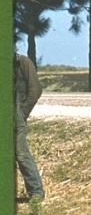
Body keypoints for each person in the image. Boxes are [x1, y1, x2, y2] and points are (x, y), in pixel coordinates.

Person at [15, 54, 45, 203]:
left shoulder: (22, 62)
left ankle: (36, 193)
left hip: (15, 115)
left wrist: (22, 113)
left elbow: (35, 91)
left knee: (21, 153)